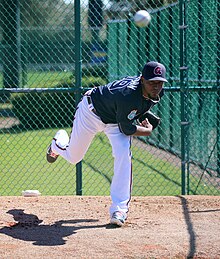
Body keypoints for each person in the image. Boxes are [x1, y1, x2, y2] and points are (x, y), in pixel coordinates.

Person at [46, 61, 168, 227]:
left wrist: (140, 113)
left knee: (123, 154)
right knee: (74, 157)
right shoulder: (127, 95)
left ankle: (119, 209)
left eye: (159, 82)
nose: (156, 87)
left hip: (115, 121)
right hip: (91, 113)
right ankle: (57, 144)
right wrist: (146, 131)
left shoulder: (155, 91)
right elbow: (127, 128)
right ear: (141, 80)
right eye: (151, 82)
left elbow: (132, 110)